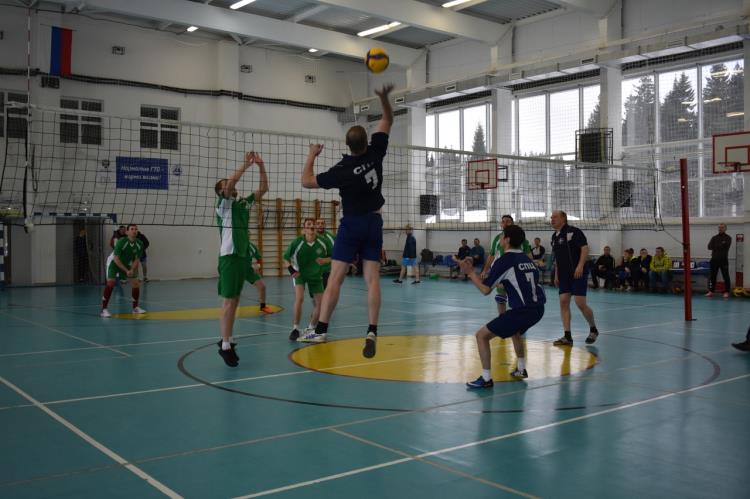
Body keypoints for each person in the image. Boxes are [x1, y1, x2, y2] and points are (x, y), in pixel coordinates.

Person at [301, 83, 394, 358]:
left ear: (347, 145)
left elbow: (306, 181)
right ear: (367, 141)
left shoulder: (341, 170)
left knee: (335, 279)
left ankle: (321, 330)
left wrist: (312, 154)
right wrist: (384, 99)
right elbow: (387, 119)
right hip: (374, 222)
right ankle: (372, 330)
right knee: (372, 279)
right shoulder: (376, 153)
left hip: (352, 224)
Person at [462, 224, 546, 388]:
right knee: (515, 331)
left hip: (522, 311)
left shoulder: (505, 261)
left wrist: (470, 273)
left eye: (502, 236)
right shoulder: (527, 259)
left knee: (481, 336)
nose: (500, 238)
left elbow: (485, 290)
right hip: (538, 309)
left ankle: (486, 379)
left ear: (506, 240)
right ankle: (521, 368)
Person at [214, 151, 268, 367]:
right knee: (229, 301)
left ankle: (227, 339)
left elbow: (263, 189)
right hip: (229, 256)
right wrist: (246, 165)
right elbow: (230, 185)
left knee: (235, 300)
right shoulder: (223, 206)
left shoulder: (243, 203)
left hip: (243, 256)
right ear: (221, 192)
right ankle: (225, 346)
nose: (231, 186)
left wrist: (261, 166)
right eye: (226, 185)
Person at [550, 210, 599, 345]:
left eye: (555, 217)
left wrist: (580, 266)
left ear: (563, 218)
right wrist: (556, 274)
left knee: (580, 303)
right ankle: (567, 336)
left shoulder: (574, 232)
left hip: (578, 273)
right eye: (551, 217)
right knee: (563, 301)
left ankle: (593, 329)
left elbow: (584, 248)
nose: (552, 219)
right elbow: (557, 258)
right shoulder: (554, 236)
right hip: (563, 275)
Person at [285, 218, 330, 342]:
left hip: (316, 274)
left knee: (320, 304)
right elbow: (285, 258)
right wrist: (292, 270)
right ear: (304, 229)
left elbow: (333, 256)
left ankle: (311, 328)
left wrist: (325, 260)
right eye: (308, 225)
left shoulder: (323, 242)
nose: (312, 226)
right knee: (299, 299)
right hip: (300, 274)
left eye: (313, 225)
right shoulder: (297, 242)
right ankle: (295, 328)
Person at [481, 214, 532, 315]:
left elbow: (529, 256)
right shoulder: (497, 238)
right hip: (502, 270)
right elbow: (491, 255)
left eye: (508, 221)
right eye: (503, 221)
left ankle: (519, 320)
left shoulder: (520, 238)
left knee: (519, 298)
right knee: (500, 297)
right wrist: (485, 270)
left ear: (512, 223)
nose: (505, 223)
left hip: (517, 272)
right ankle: (502, 318)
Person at [100, 224, 146, 318]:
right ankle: (104, 310)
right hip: (114, 263)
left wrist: (131, 269)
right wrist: (126, 270)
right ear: (127, 232)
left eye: (136, 229)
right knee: (111, 283)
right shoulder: (122, 241)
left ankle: (135, 308)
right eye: (132, 229)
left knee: (136, 283)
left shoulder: (139, 243)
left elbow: (137, 259)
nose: (134, 231)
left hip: (127, 264)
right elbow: (116, 258)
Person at [246, 239, 274, 315]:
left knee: (262, 287)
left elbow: (259, 258)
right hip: (236, 270)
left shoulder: (251, 246)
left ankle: (263, 307)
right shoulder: (234, 246)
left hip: (248, 270)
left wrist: (258, 266)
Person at [706, 223, 731, 298]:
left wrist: (716, 246)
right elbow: (709, 247)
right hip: (714, 260)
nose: (720, 228)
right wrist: (720, 245)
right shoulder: (714, 237)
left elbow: (726, 246)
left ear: (725, 229)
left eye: (722, 227)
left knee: (726, 276)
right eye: (719, 227)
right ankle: (711, 291)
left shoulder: (728, 238)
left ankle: (727, 292)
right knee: (712, 276)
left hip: (723, 260)